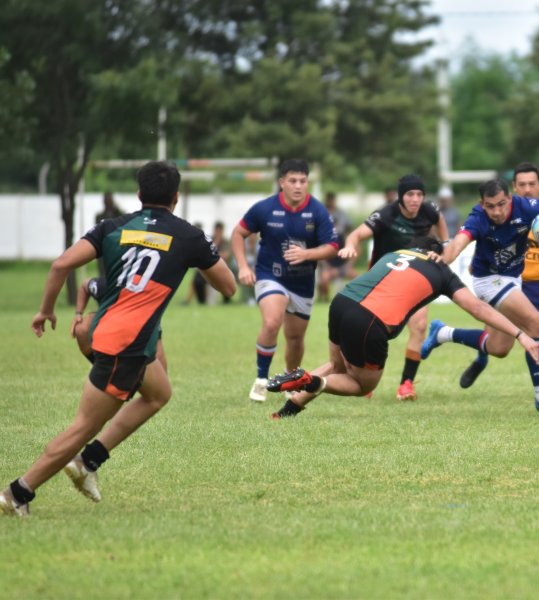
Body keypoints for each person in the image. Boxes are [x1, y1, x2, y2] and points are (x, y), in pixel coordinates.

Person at [1, 161, 236, 517]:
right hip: (124, 344)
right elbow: (229, 287)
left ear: (140, 195)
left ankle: (89, 462)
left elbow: (60, 265)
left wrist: (46, 310)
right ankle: (17, 493)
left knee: (159, 393)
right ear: (176, 197)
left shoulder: (113, 227)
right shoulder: (189, 236)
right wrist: (199, 255)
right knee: (84, 425)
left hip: (112, 333)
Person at [266, 237, 539, 419]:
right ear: (437, 251)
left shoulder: (395, 253)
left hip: (341, 303)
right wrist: (519, 333)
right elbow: (477, 308)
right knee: (361, 385)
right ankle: (307, 379)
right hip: (369, 321)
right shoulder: (442, 270)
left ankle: (288, 410)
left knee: (337, 367)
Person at [419, 178, 539, 412]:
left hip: (513, 277)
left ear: (510, 199)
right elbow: (457, 245)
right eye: (490, 205)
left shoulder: (526, 206)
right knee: (538, 325)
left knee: (499, 348)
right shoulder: (477, 217)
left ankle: (443, 333)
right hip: (489, 281)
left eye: (501, 204)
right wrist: (442, 258)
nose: (496, 211)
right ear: (481, 204)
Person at [456, 162, 539, 394]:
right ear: (513, 188)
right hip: (505, 280)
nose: (527, 189)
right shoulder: (504, 211)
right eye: (522, 184)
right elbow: (488, 241)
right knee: (497, 342)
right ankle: (481, 360)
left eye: (532, 184)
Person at [231, 159, 339, 403]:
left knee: (295, 338)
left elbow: (332, 246)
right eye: (292, 181)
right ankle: (260, 379)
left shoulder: (317, 210)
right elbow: (238, 233)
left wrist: (307, 255)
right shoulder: (264, 209)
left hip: (302, 283)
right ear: (282, 183)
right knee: (271, 322)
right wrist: (243, 267)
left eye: (303, 181)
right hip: (270, 275)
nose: (298, 186)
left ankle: (290, 380)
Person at [339, 174, 449, 402]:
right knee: (372, 333)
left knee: (419, 326)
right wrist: (351, 245)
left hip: (415, 282)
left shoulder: (429, 210)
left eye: (419, 194)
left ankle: (406, 384)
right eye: (410, 194)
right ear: (401, 197)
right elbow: (357, 234)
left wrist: (444, 247)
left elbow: (440, 222)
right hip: (382, 284)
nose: (415, 199)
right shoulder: (386, 215)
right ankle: (363, 379)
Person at [72, 276, 167, 371]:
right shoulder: (106, 287)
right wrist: (78, 313)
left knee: (152, 367)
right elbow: (84, 287)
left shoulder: (143, 299)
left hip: (138, 332)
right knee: (81, 328)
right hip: (111, 330)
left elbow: (158, 351)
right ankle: (104, 370)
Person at [316, 192, 358, 302]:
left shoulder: (345, 240)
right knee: (324, 279)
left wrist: (349, 266)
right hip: (328, 266)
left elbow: (354, 251)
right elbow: (321, 255)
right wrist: (328, 268)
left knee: (358, 277)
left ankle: (354, 298)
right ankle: (324, 299)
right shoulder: (324, 240)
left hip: (343, 265)